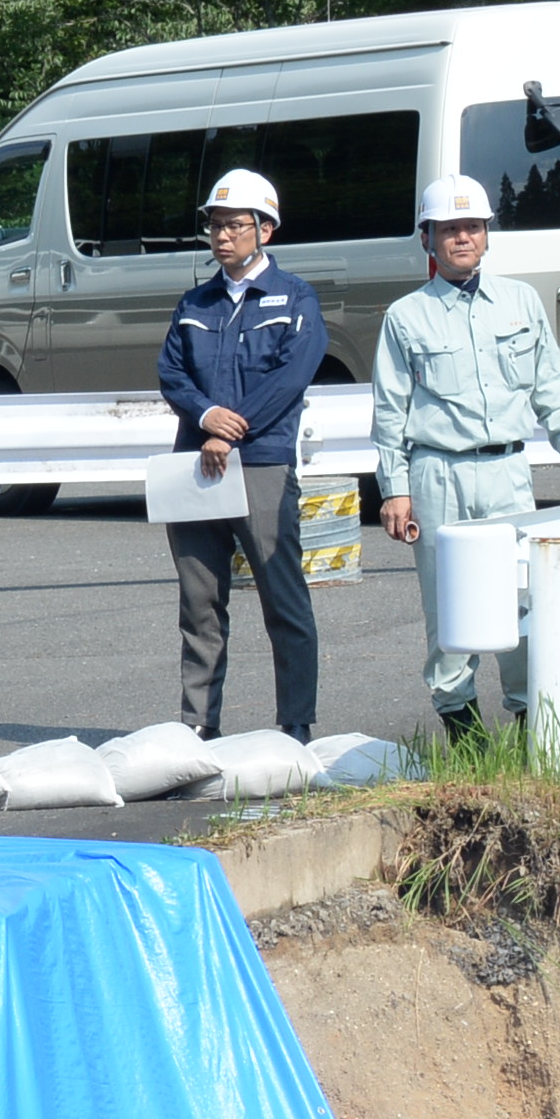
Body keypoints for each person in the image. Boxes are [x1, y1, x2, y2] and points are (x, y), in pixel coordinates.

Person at [374, 175, 560, 743]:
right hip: (437, 473)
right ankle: (465, 736)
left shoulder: (519, 300)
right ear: (428, 239)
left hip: (509, 470)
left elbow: (551, 387)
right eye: (449, 229)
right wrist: (394, 488)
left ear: (487, 235)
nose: (462, 238)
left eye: (472, 227)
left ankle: (532, 729)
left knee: (524, 599)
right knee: (449, 610)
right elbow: (389, 411)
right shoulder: (406, 316)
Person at [155, 168, 325, 741]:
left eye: (234, 225)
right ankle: (198, 726)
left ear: (266, 230)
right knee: (200, 603)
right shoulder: (194, 301)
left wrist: (231, 430)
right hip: (195, 464)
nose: (222, 236)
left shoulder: (294, 296)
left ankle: (295, 724)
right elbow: (171, 372)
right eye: (214, 225)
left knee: (283, 597)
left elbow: (291, 376)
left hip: (261, 462)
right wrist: (205, 418)